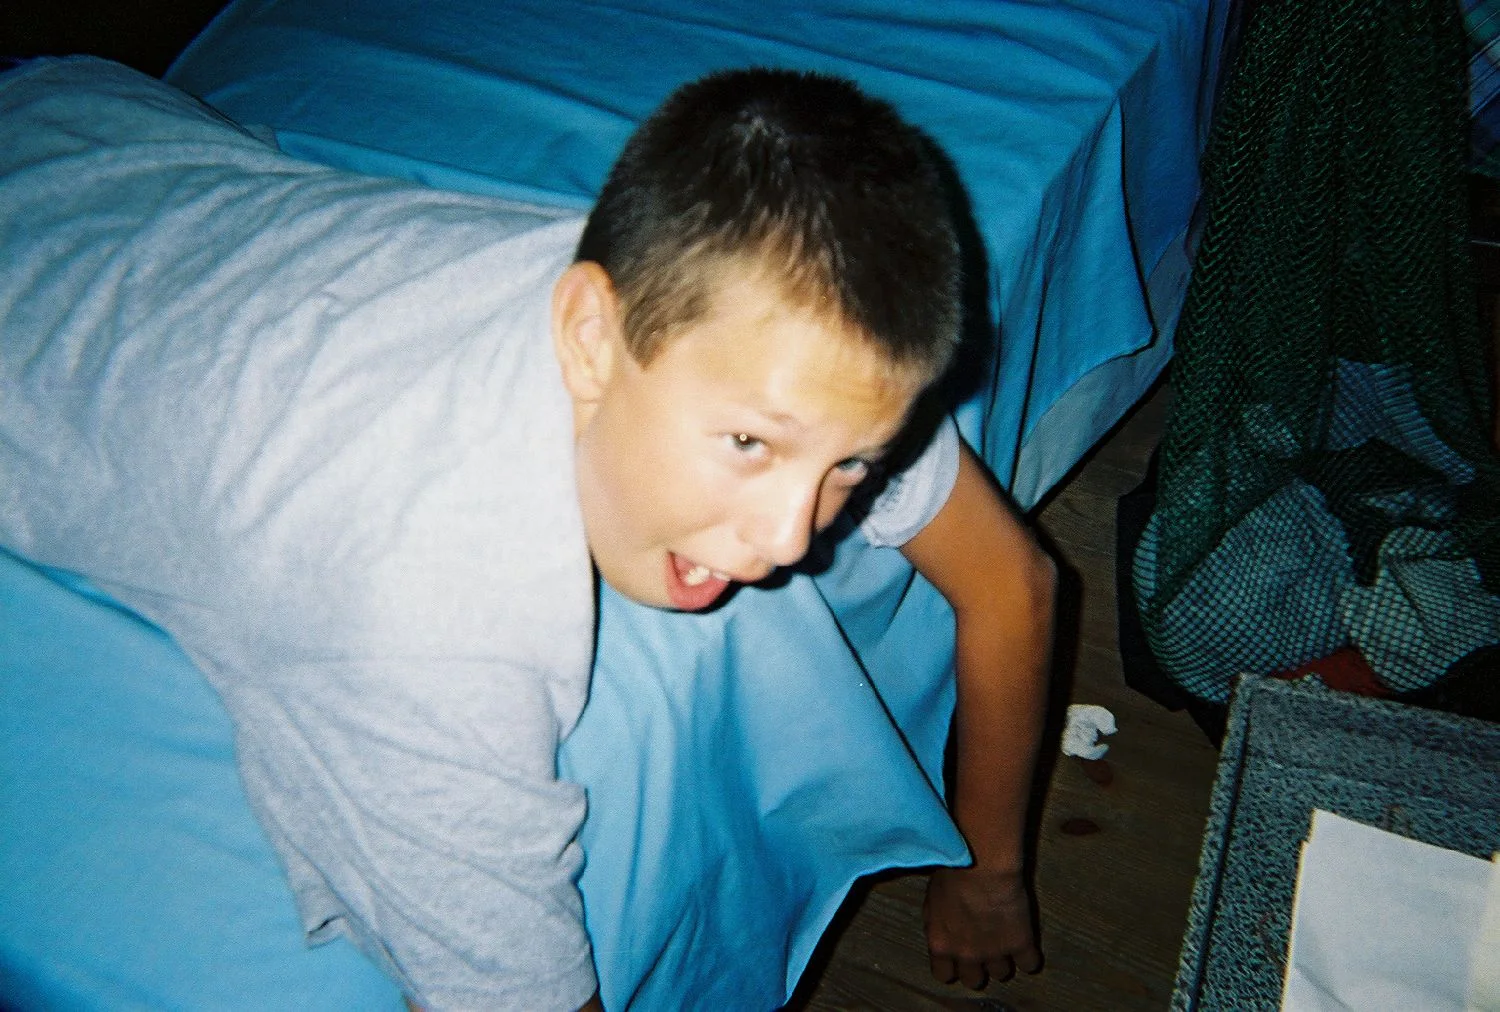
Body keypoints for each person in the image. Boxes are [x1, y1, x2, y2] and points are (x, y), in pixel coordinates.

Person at [0, 57, 1053, 1010]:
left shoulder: (760, 324)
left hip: (101, 116)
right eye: (747, 443)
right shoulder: (424, 621)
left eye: (850, 465)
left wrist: (991, 873)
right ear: (588, 337)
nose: (791, 541)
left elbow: (1013, 585)